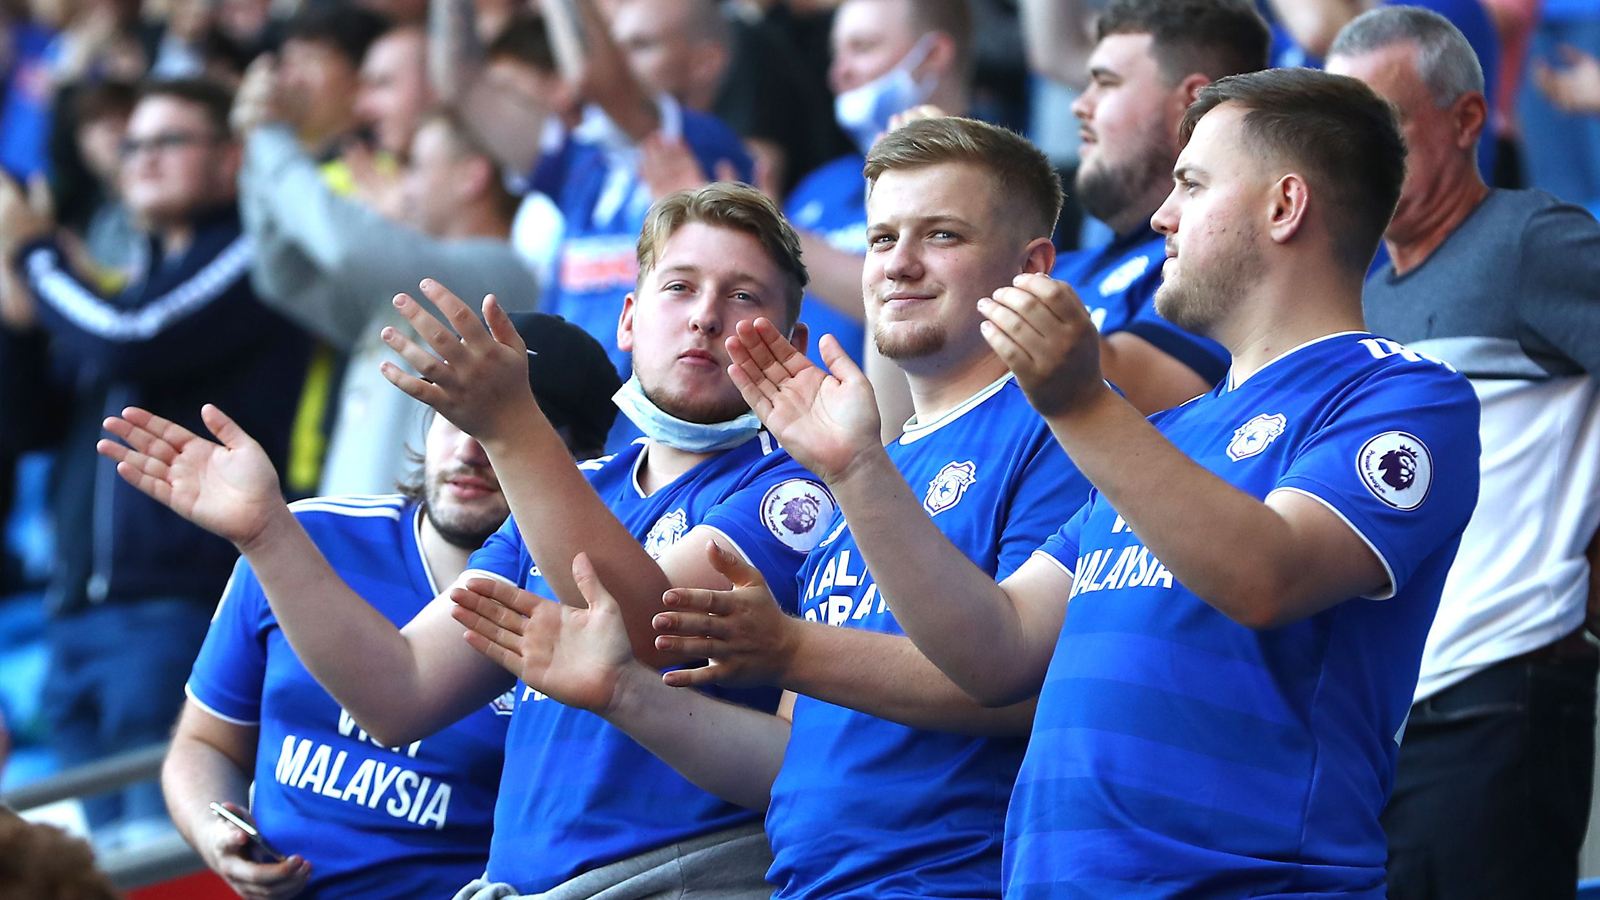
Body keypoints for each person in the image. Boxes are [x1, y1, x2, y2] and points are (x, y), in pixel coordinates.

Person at [709, 68, 1481, 897]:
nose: (1161, 216)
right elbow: (997, 654)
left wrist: (1079, 403)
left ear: (1284, 206)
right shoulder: (1164, 437)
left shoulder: (1401, 395)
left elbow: (1267, 576)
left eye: (1191, 184)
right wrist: (857, 467)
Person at [100, 183, 833, 899]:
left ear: (791, 343)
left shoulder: (793, 492)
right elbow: (399, 692)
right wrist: (267, 533)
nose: (705, 316)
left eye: (743, 297)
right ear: (630, 322)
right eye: (680, 287)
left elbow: (644, 629)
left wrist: (512, 423)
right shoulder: (584, 491)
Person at [451, 116, 1090, 900]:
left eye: (943, 236)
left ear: (1031, 266)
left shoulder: (1055, 431)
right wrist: (627, 692)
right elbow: (792, 758)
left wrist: (791, 648)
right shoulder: (873, 460)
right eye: (881, 238)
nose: (899, 264)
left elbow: (1029, 687)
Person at [161, 314, 619, 900]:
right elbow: (204, 745)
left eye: (500, 428)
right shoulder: (299, 540)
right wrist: (215, 832)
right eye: (451, 418)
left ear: (579, 464)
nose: (469, 449)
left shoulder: (584, 613)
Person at [1326, 9, 1600, 898]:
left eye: (1386, 130)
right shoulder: (1366, 296)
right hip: (1392, 724)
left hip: (1499, 700)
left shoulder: (1531, 240)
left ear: (1468, 120)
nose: (1356, 159)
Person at [0, 78, 312, 843]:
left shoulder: (249, 253)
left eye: (170, 141)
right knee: (101, 871)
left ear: (231, 158)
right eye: (132, 144)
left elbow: (132, 336)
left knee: (162, 864)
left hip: (177, 613)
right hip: (77, 618)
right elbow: (29, 426)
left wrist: (35, 255)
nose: (142, 159)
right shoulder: (124, 287)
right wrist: (14, 315)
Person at [236, 59, 541, 495]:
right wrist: (258, 147)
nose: (403, 184)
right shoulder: (408, 285)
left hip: (414, 555)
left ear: (472, 177)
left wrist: (272, 135)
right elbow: (283, 276)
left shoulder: (499, 275)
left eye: (414, 165)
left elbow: (344, 246)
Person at [1049, 0, 1267, 414]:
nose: (1081, 104)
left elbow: (1125, 400)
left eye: (1106, 83)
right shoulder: (1064, 268)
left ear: (1191, 102)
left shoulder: (1228, 259)